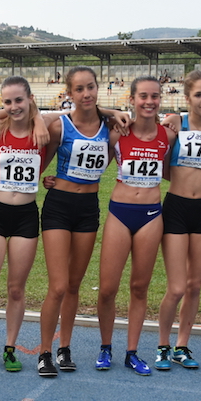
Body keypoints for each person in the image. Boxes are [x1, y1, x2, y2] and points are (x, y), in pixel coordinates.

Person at [0, 77, 55, 372]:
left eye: (19, 100)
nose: (14, 106)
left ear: (31, 98)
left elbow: (69, 115)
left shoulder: (45, 129)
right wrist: (4, 111)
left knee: (16, 290)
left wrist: (39, 118)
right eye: (7, 101)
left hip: (26, 215)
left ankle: (9, 348)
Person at [36, 66, 115, 374]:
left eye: (90, 87)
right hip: (59, 206)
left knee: (73, 285)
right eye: (79, 89)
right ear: (69, 93)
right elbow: (38, 164)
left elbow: (106, 160)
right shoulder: (60, 126)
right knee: (57, 286)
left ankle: (64, 348)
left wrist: (112, 112)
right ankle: (44, 351)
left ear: (98, 88)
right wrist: (44, 179)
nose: (86, 93)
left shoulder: (110, 127)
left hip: (88, 208)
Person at [93, 76, 172, 376]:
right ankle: (105, 347)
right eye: (143, 96)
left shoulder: (168, 135)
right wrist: (112, 113)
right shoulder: (118, 131)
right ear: (132, 99)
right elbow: (93, 166)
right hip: (120, 213)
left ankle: (132, 352)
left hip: (151, 215)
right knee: (107, 289)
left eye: (155, 96)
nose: (149, 102)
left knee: (139, 287)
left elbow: (173, 173)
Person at [156, 71, 201, 370]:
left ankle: (182, 345)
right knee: (177, 287)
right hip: (177, 208)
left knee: (195, 285)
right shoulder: (175, 125)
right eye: (199, 94)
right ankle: (162, 345)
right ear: (187, 98)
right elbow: (160, 162)